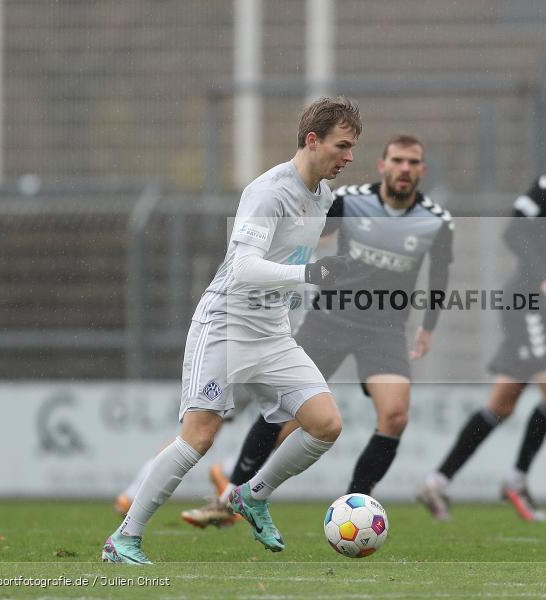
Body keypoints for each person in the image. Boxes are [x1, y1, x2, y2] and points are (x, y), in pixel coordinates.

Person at [101, 96, 362, 564]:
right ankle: (124, 538)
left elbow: (288, 261)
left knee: (325, 424)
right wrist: (311, 276)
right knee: (199, 437)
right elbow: (243, 269)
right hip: (226, 326)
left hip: (273, 334)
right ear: (312, 140)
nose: (349, 157)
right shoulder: (268, 192)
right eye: (342, 146)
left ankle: (251, 495)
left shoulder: (321, 197)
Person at [179, 134, 455, 528]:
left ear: (422, 170)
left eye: (413, 163)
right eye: (397, 160)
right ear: (383, 165)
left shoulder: (436, 221)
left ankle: (355, 508)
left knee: (394, 415)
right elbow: (302, 234)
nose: (404, 169)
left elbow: (441, 274)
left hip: (385, 328)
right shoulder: (350, 200)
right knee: (284, 412)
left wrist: (428, 327)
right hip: (331, 317)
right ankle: (230, 498)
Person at [418, 118, 546, 522]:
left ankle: (436, 482)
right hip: (528, 301)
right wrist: (545, 279)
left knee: (502, 403)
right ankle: (516, 479)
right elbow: (515, 232)